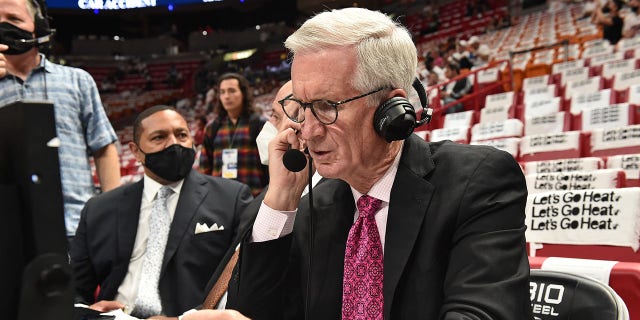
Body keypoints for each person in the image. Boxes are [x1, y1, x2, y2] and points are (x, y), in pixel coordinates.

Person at [218, 7, 530, 320]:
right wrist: (282, 197)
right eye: (301, 107)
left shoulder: (479, 181)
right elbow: (250, 313)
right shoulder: (316, 206)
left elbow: (481, 313)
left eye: (328, 106)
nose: (309, 131)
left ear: (391, 110)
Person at [69, 105, 254, 318]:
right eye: (159, 137)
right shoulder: (99, 209)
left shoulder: (231, 198)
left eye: (181, 135)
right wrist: (87, 311)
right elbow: (74, 291)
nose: (174, 144)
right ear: (136, 152)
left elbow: (245, 283)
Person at [0, 0, 121, 237]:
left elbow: (104, 149)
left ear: (39, 27)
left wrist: (112, 214)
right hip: (8, 233)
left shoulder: (78, 81)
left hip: (77, 228)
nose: (3, 26)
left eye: (13, 19)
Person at [199, 73, 268, 196]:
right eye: (222, 92)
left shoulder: (259, 124)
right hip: (220, 197)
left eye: (231, 91)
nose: (226, 96)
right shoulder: (212, 128)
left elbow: (271, 166)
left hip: (253, 196)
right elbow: (205, 168)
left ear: (243, 93)